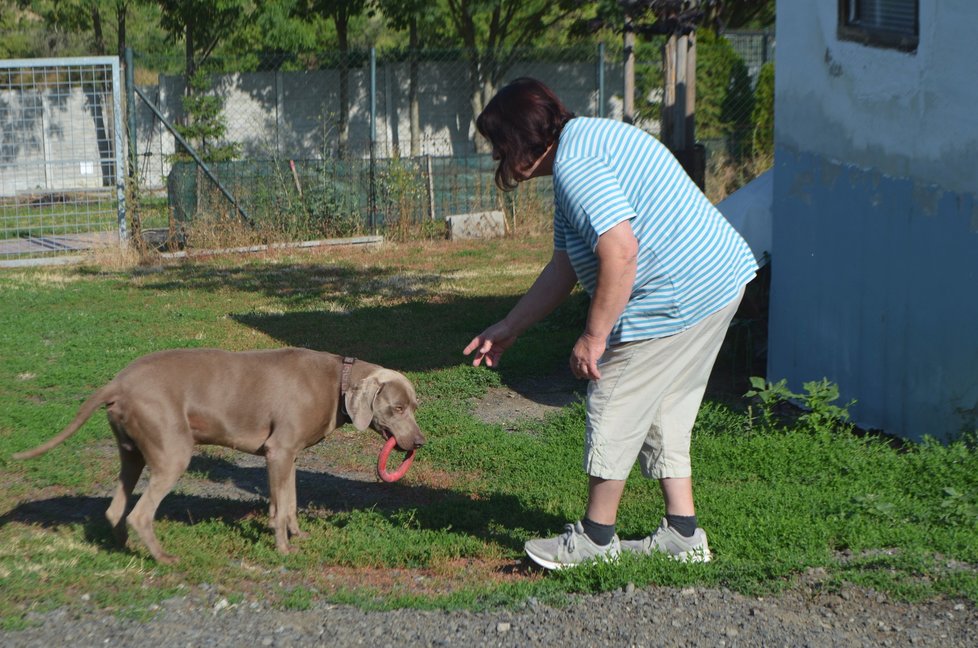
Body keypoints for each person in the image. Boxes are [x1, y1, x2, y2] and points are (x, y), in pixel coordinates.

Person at [463, 78, 758, 570]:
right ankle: (683, 535)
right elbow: (565, 268)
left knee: (615, 398)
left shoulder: (576, 167)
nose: (498, 158)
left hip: (678, 290)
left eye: (499, 146)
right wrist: (511, 326)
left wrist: (594, 337)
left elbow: (620, 251)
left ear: (519, 141)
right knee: (665, 404)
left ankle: (596, 540)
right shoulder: (586, 143)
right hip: (718, 278)